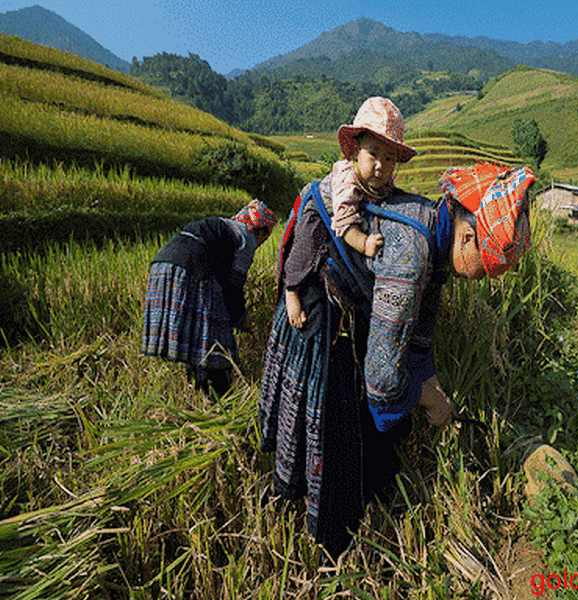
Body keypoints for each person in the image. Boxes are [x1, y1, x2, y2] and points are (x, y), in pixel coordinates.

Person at [259, 152, 536, 557]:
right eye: (486, 268)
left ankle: (372, 485)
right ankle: (333, 545)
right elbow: (383, 375)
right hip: (319, 305)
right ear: (466, 237)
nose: (482, 279)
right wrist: (426, 398)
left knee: (371, 418)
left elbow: (418, 333)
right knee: (334, 428)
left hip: (348, 302)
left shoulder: (435, 235)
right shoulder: (411, 255)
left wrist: (431, 385)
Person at [284, 96, 417, 329]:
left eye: (389, 159)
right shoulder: (347, 179)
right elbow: (344, 222)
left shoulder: (382, 180)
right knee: (307, 243)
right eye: (373, 154)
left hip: (352, 210)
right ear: (356, 151)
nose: (380, 165)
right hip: (323, 206)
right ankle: (292, 290)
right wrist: (364, 243)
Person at [142, 199, 277, 399]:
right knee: (214, 342)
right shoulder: (246, 237)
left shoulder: (223, 226)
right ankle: (221, 401)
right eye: (264, 239)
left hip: (162, 266)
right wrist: (240, 318)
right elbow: (233, 286)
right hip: (190, 270)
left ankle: (202, 394)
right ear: (260, 231)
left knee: (194, 339)